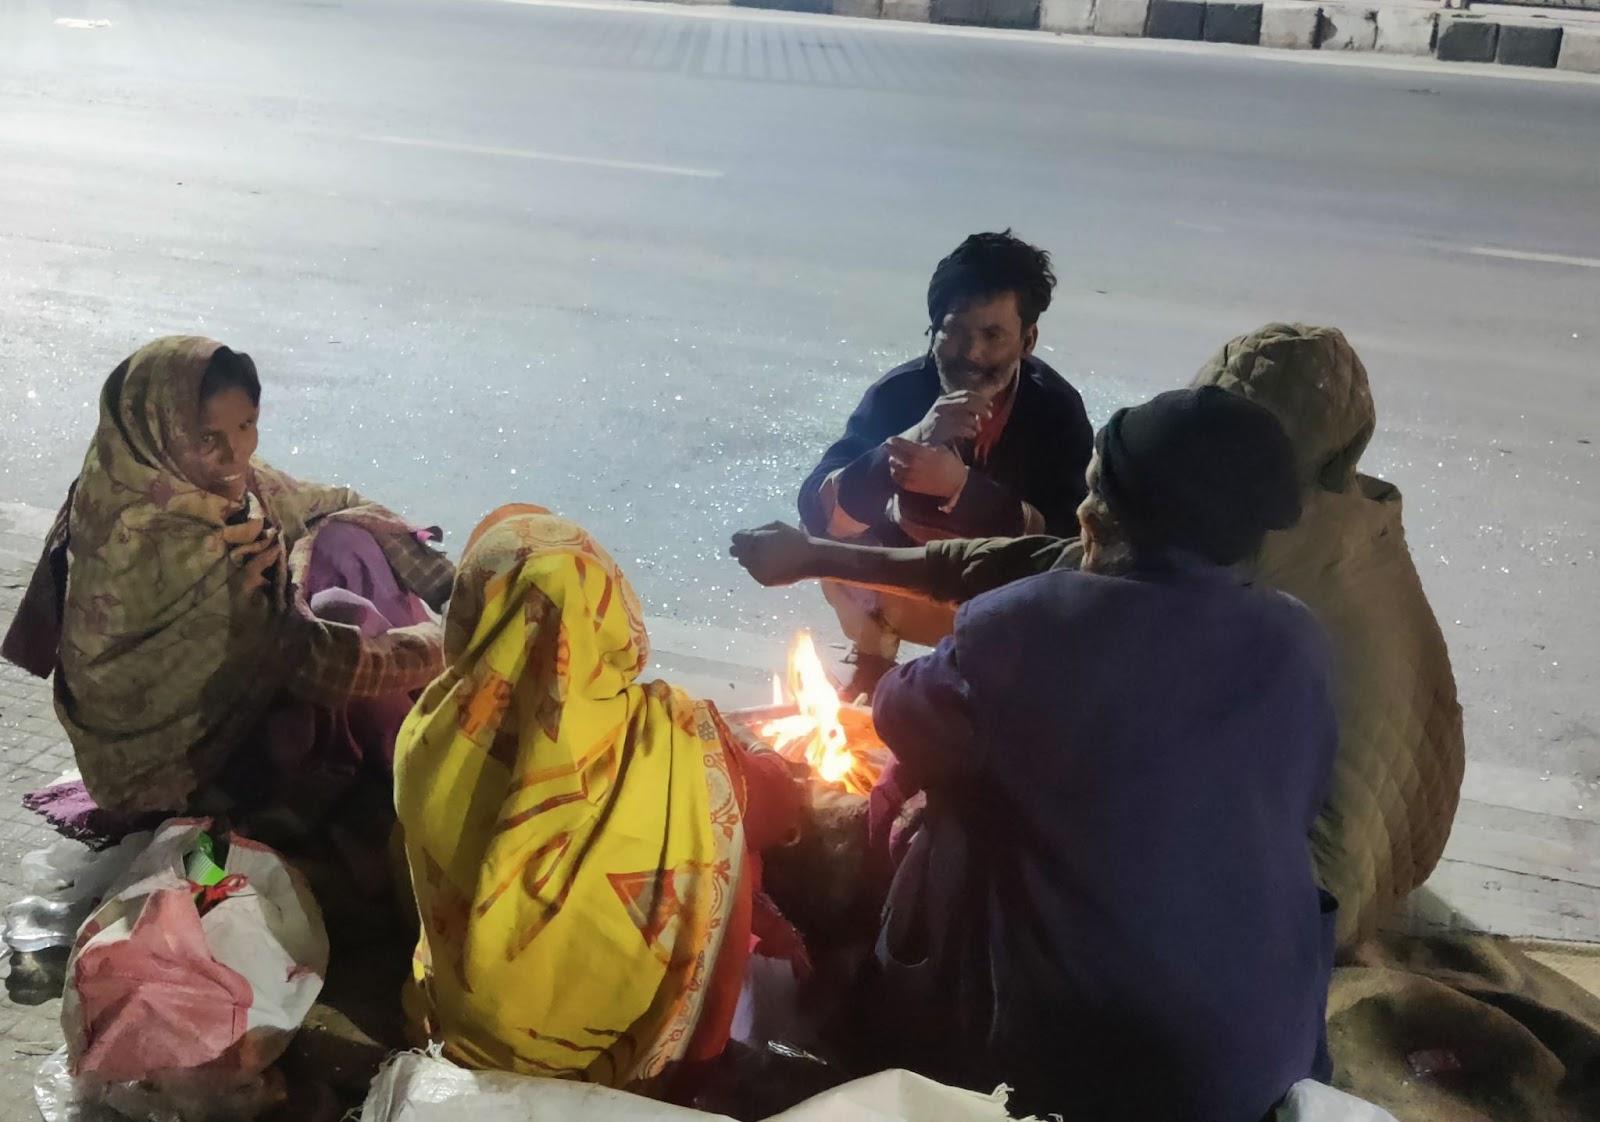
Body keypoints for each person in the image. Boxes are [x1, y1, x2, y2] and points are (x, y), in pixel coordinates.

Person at [734, 324, 1464, 952]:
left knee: (949, 811)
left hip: (1306, 907)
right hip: (1392, 849)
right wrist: (820, 555)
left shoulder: (1084, 615)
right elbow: (1038, 562)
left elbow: (914, 704)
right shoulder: (1326, 556)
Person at [852, 386, 1337, 1121]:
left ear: (1100, 514)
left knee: (944, 810)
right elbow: (1298, 798)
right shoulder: (1297, 639)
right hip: (1265, 1063)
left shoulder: (1027, 626)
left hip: (1083, 1075)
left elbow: (898, 709)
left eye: (1092, 490)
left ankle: (915, 1045)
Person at [394, 505, 806, 1095]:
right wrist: (750, 755)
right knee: (731, 844)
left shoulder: (429, 735)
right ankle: (689, 1063)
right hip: (621, 1060)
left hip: (473, 1030)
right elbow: (779, 809)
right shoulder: (672, 739)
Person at [1, 336, 452, 863]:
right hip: (166, 767)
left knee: (346, 538)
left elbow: (334, 502)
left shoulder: (170, 475)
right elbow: (319, 662)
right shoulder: (165, 535)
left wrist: (449, 585)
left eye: (246, 425)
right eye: (207, 436)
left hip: (236, 700)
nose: (235, 451)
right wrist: (446, 644)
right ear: (164, 430)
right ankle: (421, 758)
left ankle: (420, 734)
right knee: (345, 616)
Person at [796, 231, 1093, 696]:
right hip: (908, 583)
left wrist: (964, 491)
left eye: (993, 336)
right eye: (954, 332)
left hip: (1002, 598)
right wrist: (907, 444)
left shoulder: (1055, 411)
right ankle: (874, 653)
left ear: (1027, 340)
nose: (971, 353)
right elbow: (818, 512)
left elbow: (1074, 544)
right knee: (823, 531)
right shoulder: (900, 394)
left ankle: (993, 681)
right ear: (933, 331)